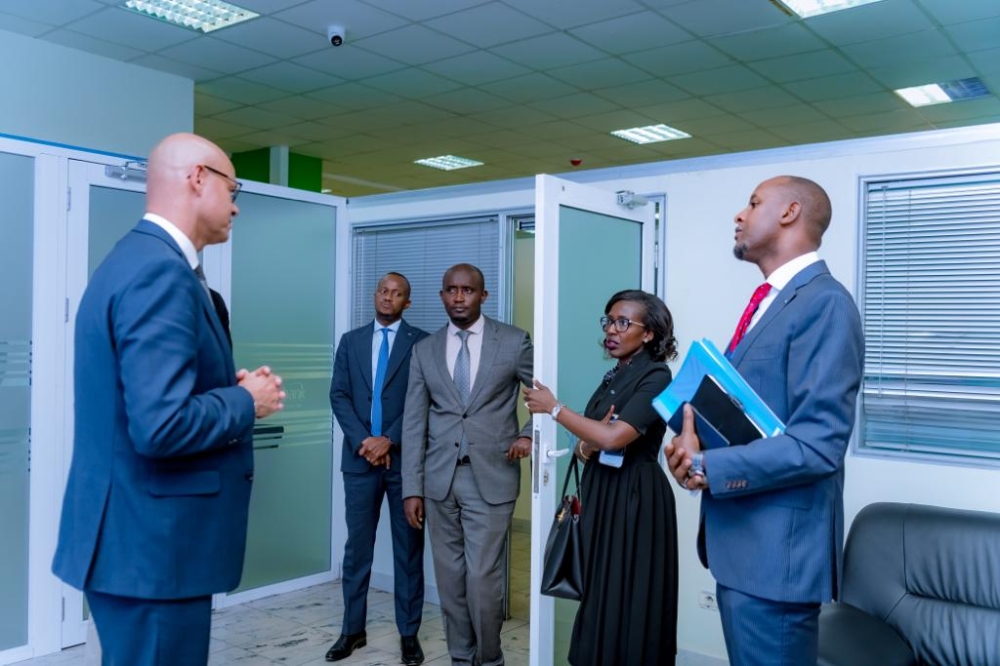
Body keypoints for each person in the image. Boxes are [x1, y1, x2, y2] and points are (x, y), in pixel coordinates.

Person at [51, 132, 286, 666]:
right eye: (233, 186)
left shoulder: (132, 259)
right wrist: (247, 401)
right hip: (154, 547)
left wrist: (230, 392)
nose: (236, 204)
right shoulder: (160, 272)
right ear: (197, 178)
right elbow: (159, 425)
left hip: (137, 542)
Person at [665, 176, 864, 665]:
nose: (739, 214)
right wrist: (690, 451)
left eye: (752, 203)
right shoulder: (771, 301)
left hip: (776, 559)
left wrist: (709, 464)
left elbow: (818, 445)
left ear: (790, 213)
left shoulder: (825, 302)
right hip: (745, 550)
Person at [523, 289, 679, 666]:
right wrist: (588, 445)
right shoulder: (616, 372)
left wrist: (554, 408)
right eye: (608, 320)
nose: (611, 329)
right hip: (603, 492)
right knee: (599, 593)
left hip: (635, 499)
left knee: (628, 595)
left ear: (649, 334)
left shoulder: (657, 375)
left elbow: (612, 436)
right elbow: (587, 444)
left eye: (623, 322)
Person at [401, 263, 533, 666]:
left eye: (468, 291)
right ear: (442, 295)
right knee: (450, 579)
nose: (459, 298)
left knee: (481, 577)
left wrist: (528, 433)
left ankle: (490, 659)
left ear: (483, 295)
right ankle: (461, 657)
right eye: (451, 290)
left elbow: (543, 394)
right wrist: (412, 487)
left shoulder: (512, 342)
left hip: (491, 477)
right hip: (438, 481)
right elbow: (413, 420)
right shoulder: (424, 350)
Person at [327, 272, 428, 665]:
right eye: (384, 291)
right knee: (357, 551)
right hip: (359, 461)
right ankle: (353, 630)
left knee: (408, 551)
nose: (389, 298)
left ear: (408, 301)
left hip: (404, 464)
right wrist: (364, 442)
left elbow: (423, 400)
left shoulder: (421, 343)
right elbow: (339, 394)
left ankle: (409, 634)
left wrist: (389, 438)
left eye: (397, 293)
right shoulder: (350, 341)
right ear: (375, 295)